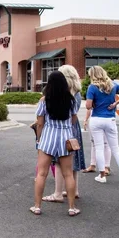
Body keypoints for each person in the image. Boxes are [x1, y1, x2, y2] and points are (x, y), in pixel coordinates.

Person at [30, 71, 80, 216]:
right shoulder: (70, 100)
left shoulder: (44, 100)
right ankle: (72, 207)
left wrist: (39, 139)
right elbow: (74, 119)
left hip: (48, 136)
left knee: (42, 173)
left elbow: (40, 123)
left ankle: (37, 206)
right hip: (65, 137)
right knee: (68, 174)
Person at [43, 65, 85, 202]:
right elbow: (74, 114)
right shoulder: (77, 93)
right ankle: (75, 190)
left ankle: (58, 193)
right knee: (74, 160)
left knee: (60, 162)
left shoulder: (64, 93)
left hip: (63, 129)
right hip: (74, 128)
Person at [85, 66, 119, 184]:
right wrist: (116, 102)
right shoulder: (113, 85)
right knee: (115, 148)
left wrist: (94, 103)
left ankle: (102, 176)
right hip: (110, 119)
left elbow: (88, 106)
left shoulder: (92, 87)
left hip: (96, 119)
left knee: (99, 148)